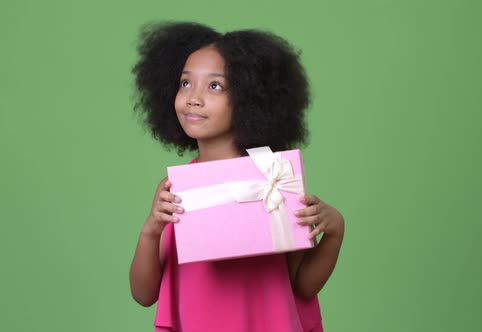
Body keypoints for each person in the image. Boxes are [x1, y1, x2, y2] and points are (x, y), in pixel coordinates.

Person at [129, 22, 345, 332]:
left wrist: (335, 230)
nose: (193, 98)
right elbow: (144, 293)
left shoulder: (274, 180)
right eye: (185, 83)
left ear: (250, 98)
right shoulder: (178, 190)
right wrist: (150, 231)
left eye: (214, 86)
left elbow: (303, 286)